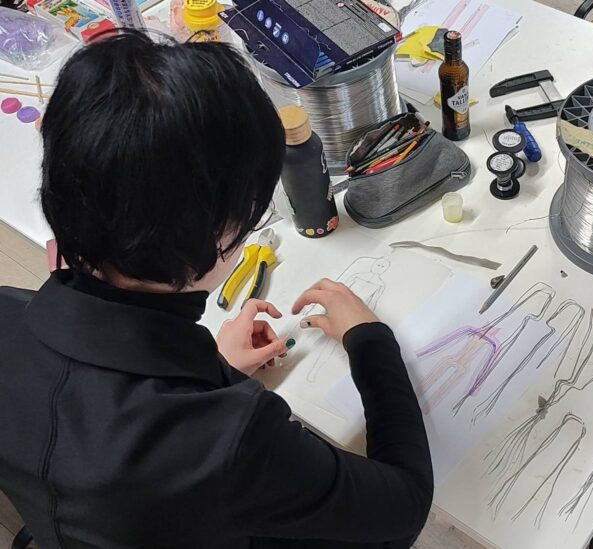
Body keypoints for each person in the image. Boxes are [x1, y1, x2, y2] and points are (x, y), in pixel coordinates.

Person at [0, 31, 433, 548]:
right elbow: (405, 508)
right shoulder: (228, 440)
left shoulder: (7, 313)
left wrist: (211, 372)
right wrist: (371, 340)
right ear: (216, 234)